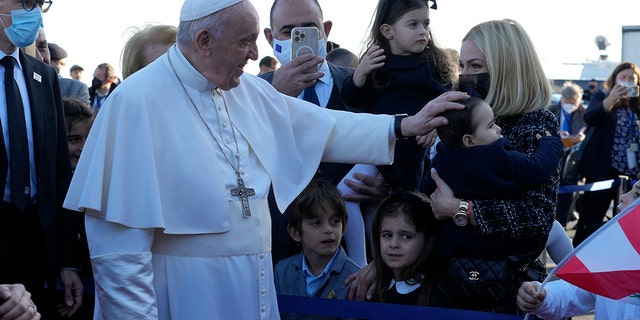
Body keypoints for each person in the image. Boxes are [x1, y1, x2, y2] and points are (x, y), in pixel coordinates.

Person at [62, 0, 467, 318]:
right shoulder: (135, 103)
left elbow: (319, 126)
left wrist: (402, 126)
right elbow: (120, 257)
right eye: (245, 41)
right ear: (204, 40)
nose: (255, 54)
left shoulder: (243, 90)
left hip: (251, 290)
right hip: (185, 296)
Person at [348, 19, 559, 315]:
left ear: (506, 67)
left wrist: (462, 209)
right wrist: (382, 262)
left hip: (503, 289)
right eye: (463, 66)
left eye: (476, 66)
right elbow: (430, 198)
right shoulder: (457, 122)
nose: (466, 76)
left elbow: (537, 218)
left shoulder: (535, 124)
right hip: (442, 284)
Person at [262, 0, 386, 266]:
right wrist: (275, 95)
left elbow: (394, 143)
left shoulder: (362, 84)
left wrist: (384, 186)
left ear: (325, 30)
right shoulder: (252, 93)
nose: (299, 36)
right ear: (270, 38)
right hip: (278, 242)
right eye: (288, 31)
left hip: (352, 247)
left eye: (308, 27)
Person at [337, 0, 451, 266]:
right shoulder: (376, 61)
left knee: (400, 215)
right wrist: (359, 75)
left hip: (409, 157)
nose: (423, 31)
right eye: (413, 24)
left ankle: (387, 270)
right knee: (347, 195)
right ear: (388, 31)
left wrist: (435, 126)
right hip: (375, 149)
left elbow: (451, 102)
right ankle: (362, 263)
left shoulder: (431, 64)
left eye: (426, 24)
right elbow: (352, 99)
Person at [0, 0, 83, 318]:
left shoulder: (43, 76)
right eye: (26, 1)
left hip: (36, 238)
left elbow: (59, 172)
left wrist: (67, 259)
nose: (34, 10)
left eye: (40, 3)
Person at [517, 181, 640, 319]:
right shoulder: (612, 255)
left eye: (637, 194)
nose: (622, 197)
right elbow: (575, 291)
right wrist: (543, 295)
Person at [422, 96, 564, 199]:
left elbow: (428, 189)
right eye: (490, 125)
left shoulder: (442, 158)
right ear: (469, 140)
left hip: (453, 236)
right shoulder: (498, 154)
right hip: (496, 238)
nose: (498, 128)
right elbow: (535, 170)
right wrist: (551, 144)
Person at [574, 62, 640, 247]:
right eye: (623, 78)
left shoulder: (636, 105)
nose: (627, 82)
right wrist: (611, 99)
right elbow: (589, 118)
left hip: (630, 175)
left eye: (631, 79)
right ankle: (579, 259)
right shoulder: (602, 96)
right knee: (590, 220)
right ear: (614, 80)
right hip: (602, 171)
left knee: (624, 223)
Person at [274, 178, 360, 319]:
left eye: (335, 221)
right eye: (317, 223)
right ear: (295, 232)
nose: (328, 230)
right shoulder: (282, 271)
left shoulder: (355, 277)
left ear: (344, 226)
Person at [370, 191, 443, 306]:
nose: (393, 244)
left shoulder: (436, 296)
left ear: (427, 240)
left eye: (405, 236)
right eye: (387, 235)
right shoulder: (373, 290)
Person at [548, 81, 587, 227]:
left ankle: (562, 224)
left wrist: (580, 139)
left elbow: (587, 133)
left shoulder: (585, 114)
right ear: (562, 99)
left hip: (572, 158)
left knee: (568, 194)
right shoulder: (551, 110)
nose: (570, 104)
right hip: (554, 154)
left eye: (573, 102)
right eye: (567, 101)